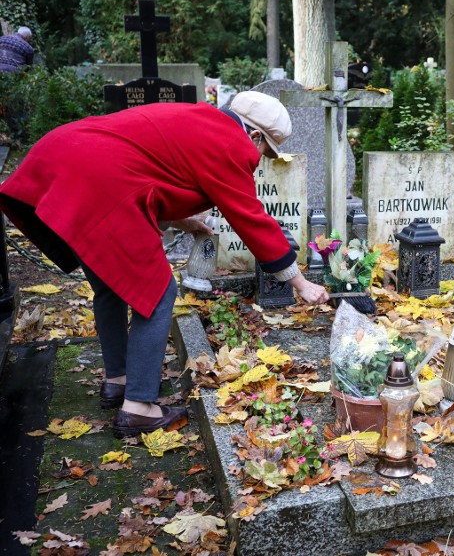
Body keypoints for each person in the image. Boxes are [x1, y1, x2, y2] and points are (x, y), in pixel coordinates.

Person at [0, 91, 329, 437]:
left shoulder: (201, 122)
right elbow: (251, 219)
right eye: (266, 150)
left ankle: (118, 381)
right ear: (256, 135)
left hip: (65, 155)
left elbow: (152, 172)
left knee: (110, 288)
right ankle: (139, 407)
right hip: (99, 182)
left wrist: (187, 223)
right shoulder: (232, 143)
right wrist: (301, 283)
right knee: (157, 293)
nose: (260, 159)